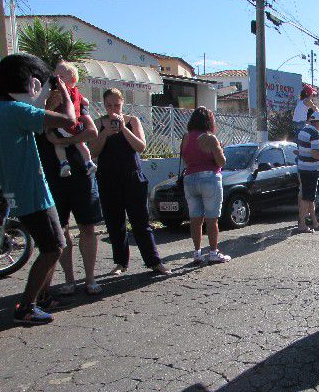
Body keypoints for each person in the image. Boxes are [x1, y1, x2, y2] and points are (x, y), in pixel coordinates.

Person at [0, 53, 78, 324]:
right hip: (34, 193)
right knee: (54, 247)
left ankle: (41, 298)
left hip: (13, 193)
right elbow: (69, 120)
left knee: (50, 245)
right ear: (31, 84)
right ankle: (27, 306)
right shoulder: (16, 111)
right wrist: (65, 91)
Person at [36, 75, 103, 303]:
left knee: (87, 227)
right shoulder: (39, 115)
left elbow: (92, 132)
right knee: (60, 231)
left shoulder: (77, 110)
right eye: (54, 87)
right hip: (53, 180)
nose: (57, 90)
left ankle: (90, 278)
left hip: (81, 178)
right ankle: (69, 279)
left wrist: (63, 142)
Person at [91, 88, 171, 275]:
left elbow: (141, 146)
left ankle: (154, 261)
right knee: (114, 223)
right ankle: (120, 263)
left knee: (140, 222)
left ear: (122, 104)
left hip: (132, 177)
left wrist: (123, 128)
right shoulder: (98, 123)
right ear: (104, 105)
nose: (113, 109)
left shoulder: (132, 121)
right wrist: (105, 134)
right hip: (108, 178)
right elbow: (93, 152)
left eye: (117, 105)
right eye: (109, 105)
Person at [181, 107, 230, 264]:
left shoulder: (186, 137)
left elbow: (185, 157)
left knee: (195, 218)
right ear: (209, 121)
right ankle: (214, 252)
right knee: (211, 218)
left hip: (189, 179)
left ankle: (197, 253)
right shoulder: (210, 138)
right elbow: (221, 162)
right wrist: (220, 149)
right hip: (209, 178)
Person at [51, 62, 96, 177]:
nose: (58, 80)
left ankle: (63, 163)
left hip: (62, 126)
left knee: (58, 145)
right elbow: (85, 102)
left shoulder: (61, 92)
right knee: (81, 144)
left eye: (61, 77)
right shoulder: (76, 92)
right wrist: (84, 106)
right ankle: (89, 162)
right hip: (76, 127)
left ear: (72, 79)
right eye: (56, 76)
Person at [296, 110, 319, 232]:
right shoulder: (315, 133)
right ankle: (302, 225)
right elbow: (315, 155)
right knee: (307, 198)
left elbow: (305, 149)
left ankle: (314, 222)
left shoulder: (303, 131)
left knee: (309, 197)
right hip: (311, 169)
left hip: (303, 167)